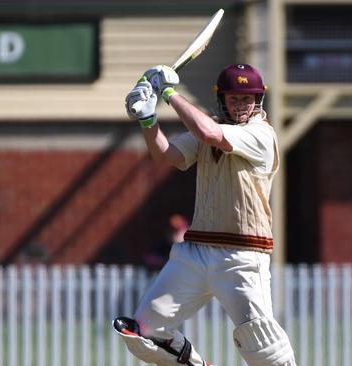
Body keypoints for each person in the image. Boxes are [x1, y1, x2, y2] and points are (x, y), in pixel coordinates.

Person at [113, 64, 297, 366]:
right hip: (196, 252)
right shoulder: (208, 127)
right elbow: (168, 155)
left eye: (247, 98)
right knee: (145, 331)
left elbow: (210, 133)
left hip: (243, 256)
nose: (241, 105)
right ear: (222, 99)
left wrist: (169, 93)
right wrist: (148, 119)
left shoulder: (262, 134)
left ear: (258, 100)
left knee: (265, 350)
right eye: (234, 99)